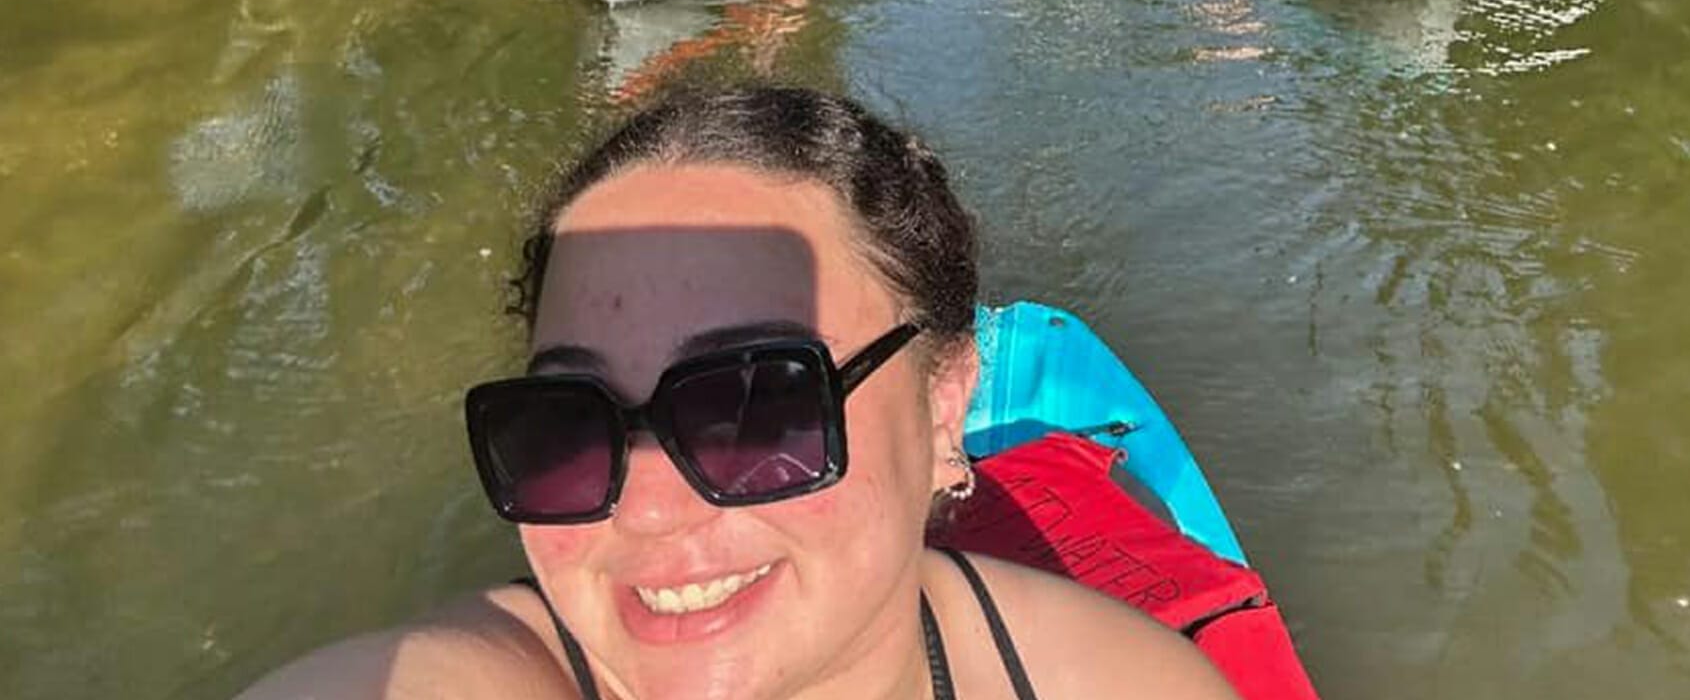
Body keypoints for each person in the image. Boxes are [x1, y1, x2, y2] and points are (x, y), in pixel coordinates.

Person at [239, 86, 1241, 700]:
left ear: (944, 409)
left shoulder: (1122, 687)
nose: (647, 509)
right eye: (567, 425)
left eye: (758, 404)